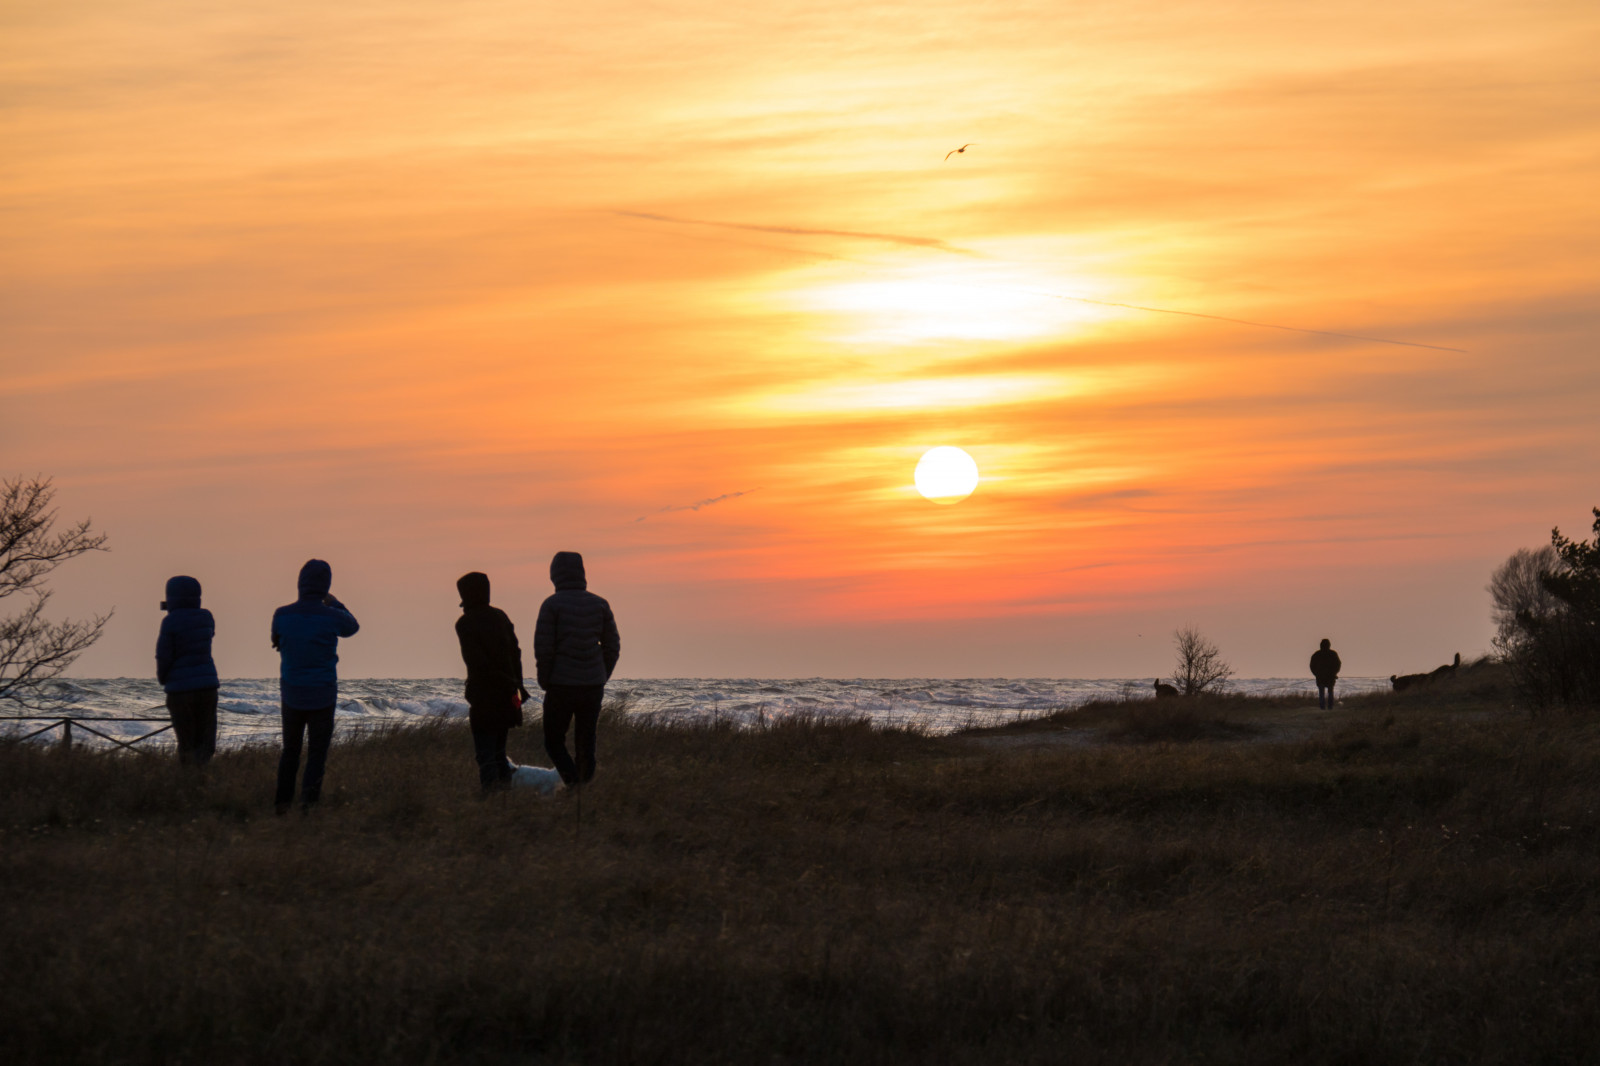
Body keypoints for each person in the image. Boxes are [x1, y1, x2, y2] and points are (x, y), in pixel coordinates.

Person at [270, 559, 359, 814]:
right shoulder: (331, 615)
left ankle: (282, 805)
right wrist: (334, 602)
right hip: (322, 692)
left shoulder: (282, 614)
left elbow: (276, 639)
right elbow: (352, 626)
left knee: (291, 751)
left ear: (300, 583)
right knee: (317, 753)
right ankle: (308, 806)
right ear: (325, 586)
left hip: (292, 691)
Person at [533, 551, 620, 787]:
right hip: (592, 686)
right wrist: (601, 675)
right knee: (586, 741)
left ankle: (574, 785)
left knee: (553, 741)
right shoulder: (600, 604)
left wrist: (545, 680)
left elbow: (544, 649)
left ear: (555, 575)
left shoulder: (551, 605)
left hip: (561, 685)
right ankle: (581, 788)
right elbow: (612, 646)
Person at [454, 571, 531, 795]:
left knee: (486, 753)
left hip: (485, 695)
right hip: (509, 694)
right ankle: (503, 796)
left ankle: (491, 797)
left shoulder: (466, 623)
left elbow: (477, 663)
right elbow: (516, 653)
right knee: (499, 750)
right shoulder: (500, 616)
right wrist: (517, 685)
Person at [155, 575, 219, 767]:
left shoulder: (170, 621)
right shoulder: (206, 617)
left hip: (179, 689)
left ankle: (188, 779)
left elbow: (164, 655)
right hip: (207, 686)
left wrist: (163, 677)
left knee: (186, 741)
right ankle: (202, 774)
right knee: (205, 739)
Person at [1310, 638, 1342, 710]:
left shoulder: (1317, 654)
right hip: (1329, 677)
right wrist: (1334, 673)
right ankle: (1330, 707)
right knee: (1329, 692)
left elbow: (1312, 666)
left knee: (1322, 693)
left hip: (1322, 677)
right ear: (1329, 645)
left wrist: (1316, 674)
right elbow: (1338, 664)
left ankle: (1323, 708)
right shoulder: (1333, 654)